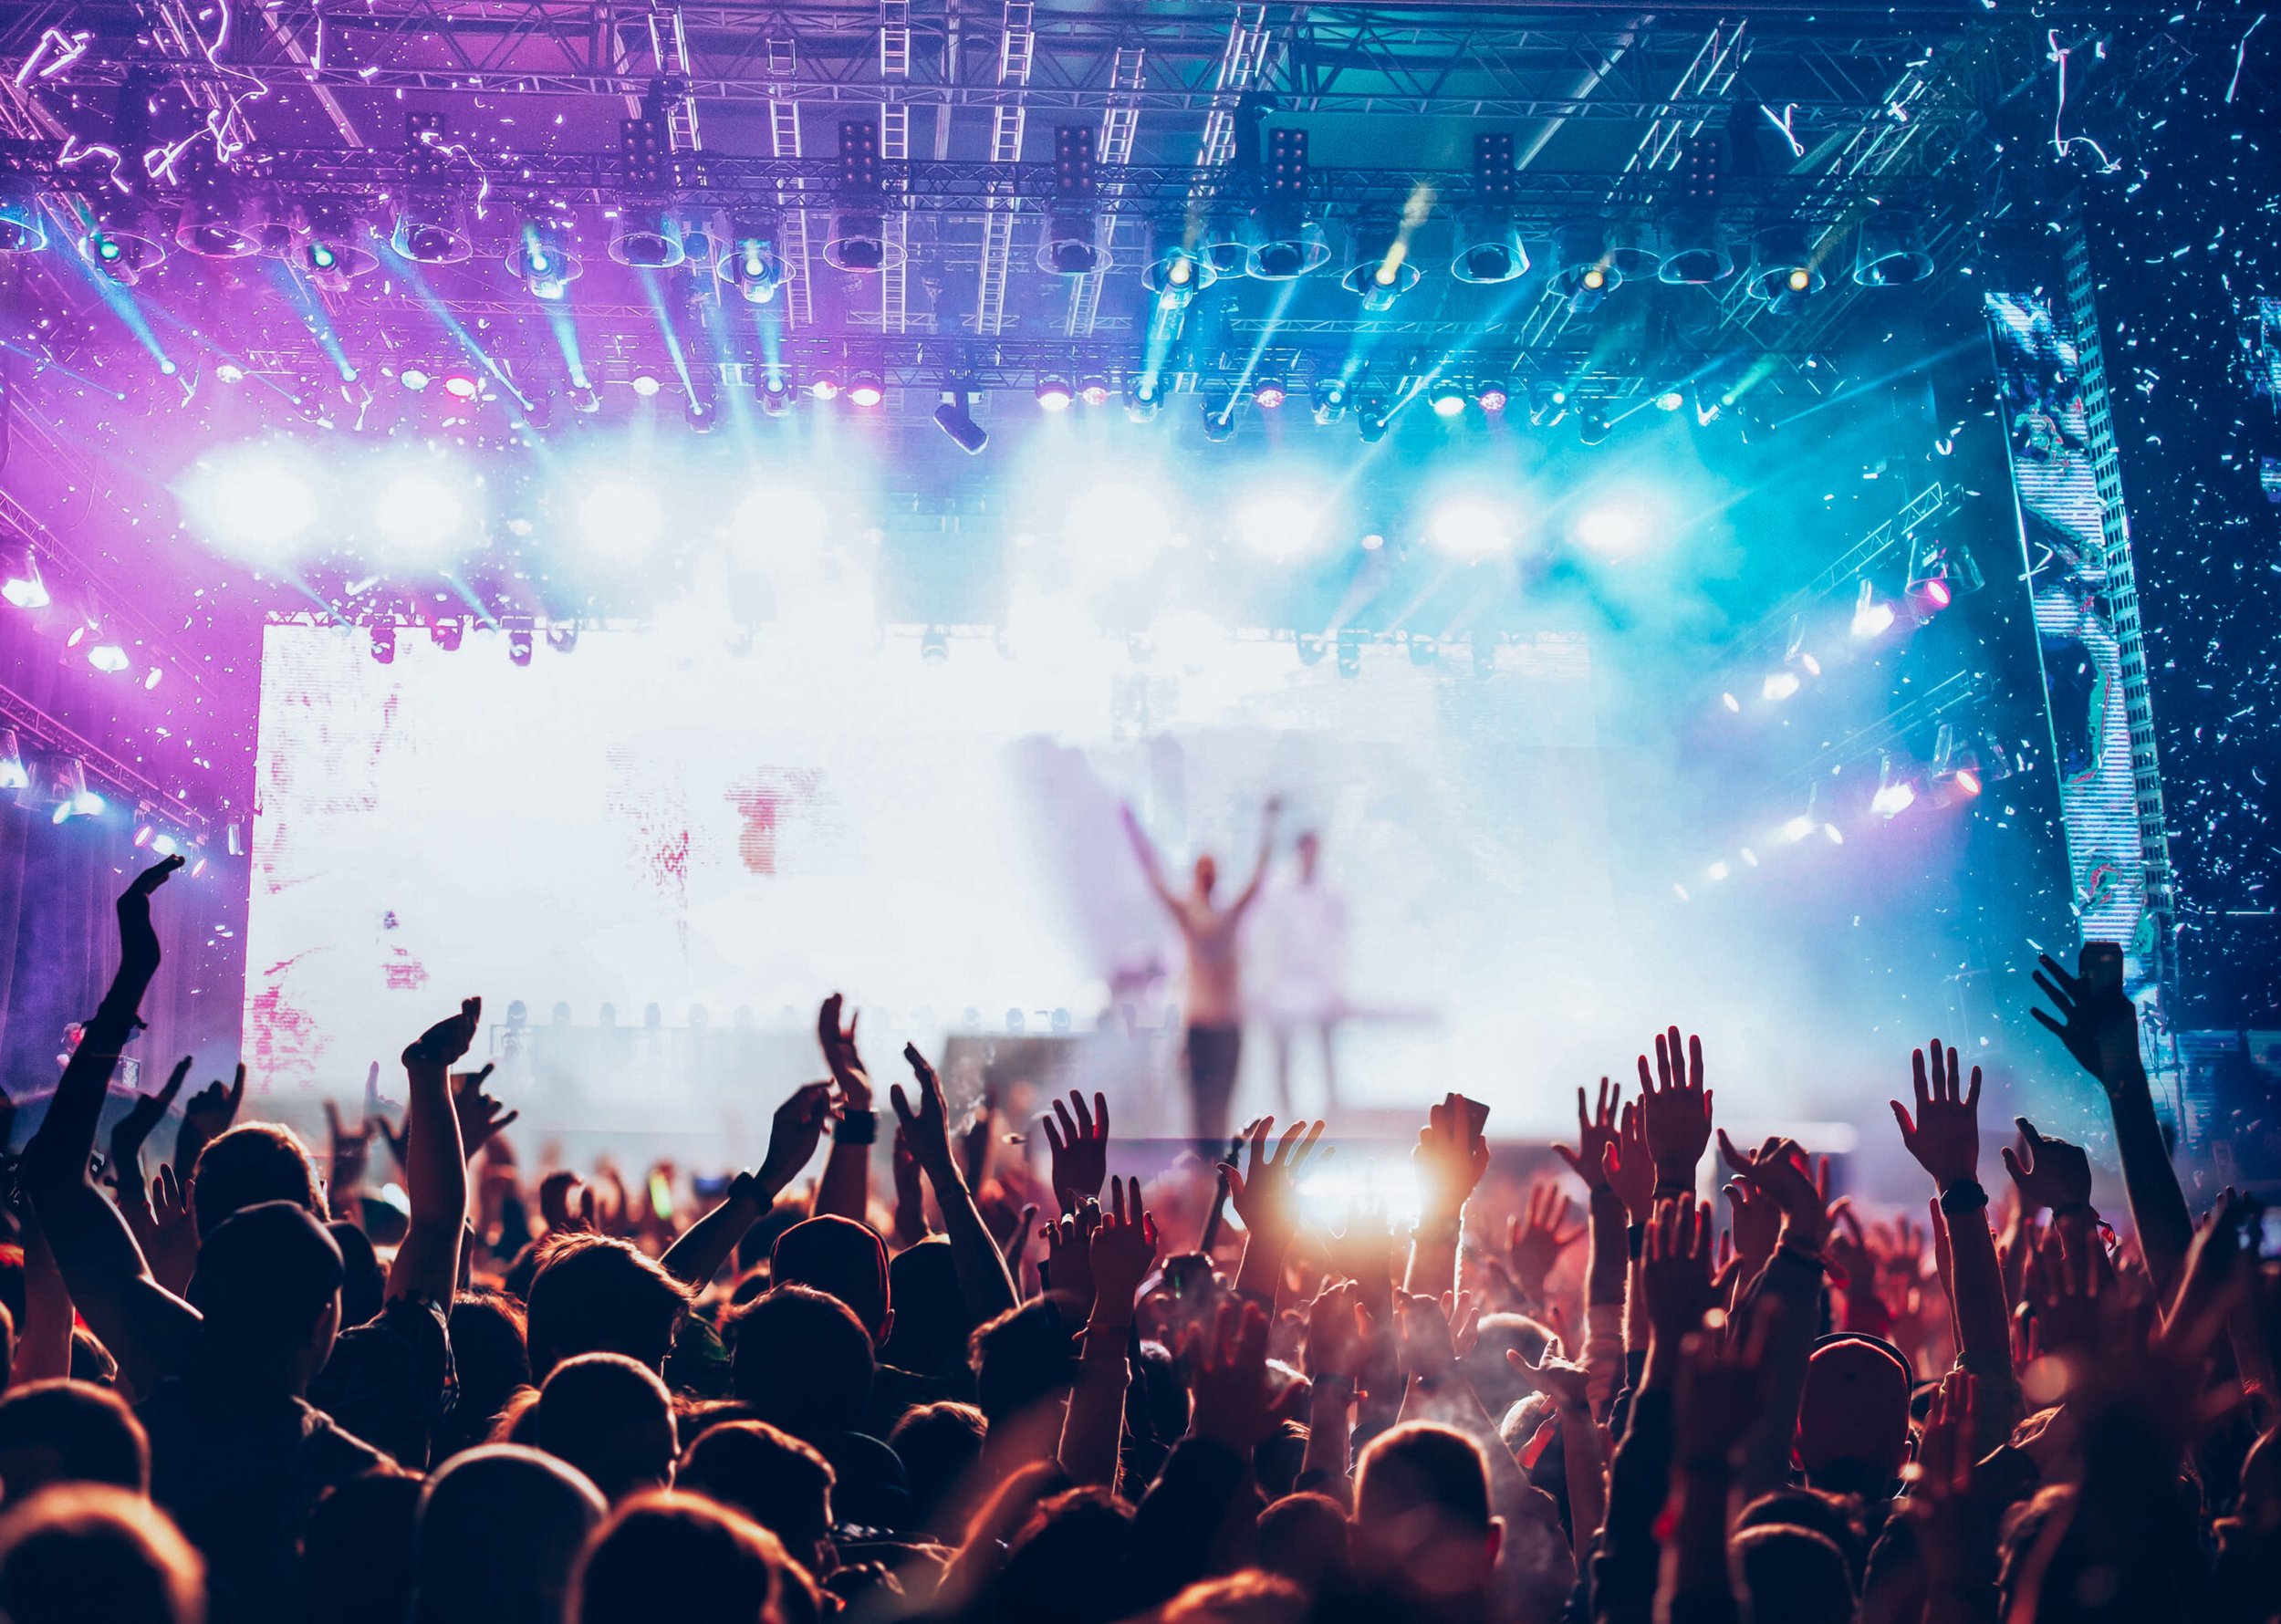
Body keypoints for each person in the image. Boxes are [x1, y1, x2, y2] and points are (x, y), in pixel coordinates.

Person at [1120, 796, 1282, 1147]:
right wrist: (1133, 828)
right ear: (1197, 877)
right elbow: (1154, 876)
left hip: (1226, 1027)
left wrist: (1270, 826)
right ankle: (1204, 1171)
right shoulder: (1192, 918)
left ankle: (1214, 1171)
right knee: (1200, 1115)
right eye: (1203, 872)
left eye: (1211, 872)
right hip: (1201, 1028)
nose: (1207, 879)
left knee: (1220, 1113)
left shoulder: (1226, 918)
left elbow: (1257, 880)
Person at [1248, 828, 1349, 1114]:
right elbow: (1266, 938)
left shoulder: (1331, 891)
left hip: (1321, 985)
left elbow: (1339, 941)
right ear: (1299, 851)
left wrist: (1336, 985)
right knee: (1283, 1056)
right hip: (1283, 986)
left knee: (1327, 1051)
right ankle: (1286, 1115)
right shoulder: (1278, 889)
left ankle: (1333, 1111)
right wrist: (1264, 986)